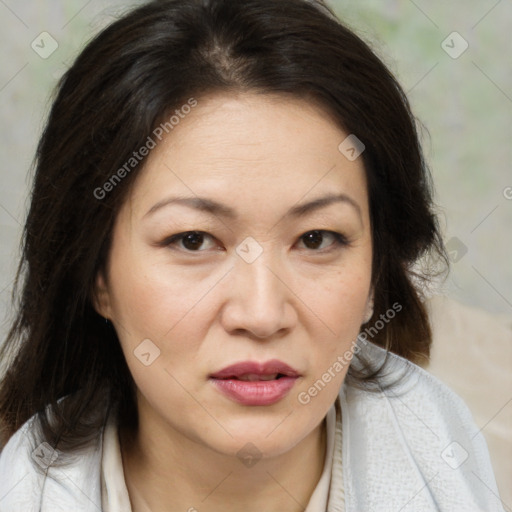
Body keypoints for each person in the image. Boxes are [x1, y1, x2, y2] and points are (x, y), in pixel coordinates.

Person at [0, 0, 504, 510]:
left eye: (316, 239)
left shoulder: (457, 464)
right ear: (97, 276)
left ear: (377, 272)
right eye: (193, 240)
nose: (262, 315)